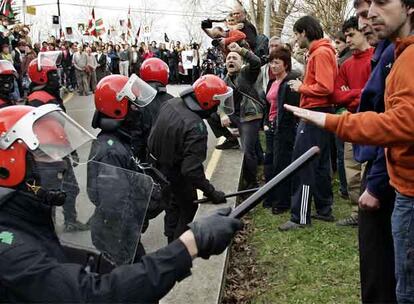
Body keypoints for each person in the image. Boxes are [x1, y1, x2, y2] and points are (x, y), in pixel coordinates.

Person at [0, 103, 243, 302]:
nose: (63, 166)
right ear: (9, 164)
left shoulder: (25, 218)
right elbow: (92, 296)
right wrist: (190, 245)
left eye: (61, 154)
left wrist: (93, 262)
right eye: (46, 153)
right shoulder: (9, 248)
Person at [284, 1, 413, 301]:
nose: (369, 16)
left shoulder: (401, 56)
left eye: (381, 3)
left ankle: (302, 215)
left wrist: (325, 112)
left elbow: (400, 122)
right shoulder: (397, 51)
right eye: (363, 11)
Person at [148, 75, 231, 242]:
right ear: (208, 102)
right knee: (187, 209)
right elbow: (191, 171)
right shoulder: (195, 126)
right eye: (217, 102)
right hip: (177, 175)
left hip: (159, 170)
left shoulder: (171, 104)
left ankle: (170, 239)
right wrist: (212, 192)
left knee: (172, 207)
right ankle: (177, 250)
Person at [279, 16, 337, 231]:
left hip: (314, 113)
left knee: (303, 164)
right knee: (321, 164)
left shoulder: (320, 53)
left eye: (296, 33)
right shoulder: (322, 51)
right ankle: (324, 209)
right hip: (320, 113)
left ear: (304, 32)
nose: (295, 38)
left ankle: (300, 217)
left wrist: (301, 87)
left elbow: (325, 87)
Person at [26, 55, 88, 233]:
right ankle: (48, 229)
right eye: (52, 74)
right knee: (51, 194)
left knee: (70, 188)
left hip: (58, 152)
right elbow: (45, 130)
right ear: (41, 76)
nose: (56, 77)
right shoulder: (37, 98)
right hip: (47, 155)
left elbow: (58, 127)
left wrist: (70, 149)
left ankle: (68, 221)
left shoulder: (48, 95)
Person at [332, 16, 374, 227]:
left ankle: (371, 212)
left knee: (370, 169)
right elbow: (337, 95)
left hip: (373, 124)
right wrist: (361, 93)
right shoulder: (346, 64)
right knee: (351, 170)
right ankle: (356, 213)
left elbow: (375, 93)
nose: (347, 39)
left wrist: (353, 93)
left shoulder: (376, 58)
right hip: (352, 123)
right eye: (346, 35)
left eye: (351, 34)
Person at [220, 42, 263, 189]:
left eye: (235, 58)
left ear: (241, 62)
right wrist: (222, 115)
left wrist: (241, 50)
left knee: (247, 150)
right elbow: (219, 101)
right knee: (212, 116)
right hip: (237, 117)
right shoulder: (225, 81)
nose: (231, 60)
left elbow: (256, 61)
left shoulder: (247, 73)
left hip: (250, 115)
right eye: (228, 58)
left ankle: (253, 183)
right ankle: (231, 139)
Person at [263, 48, 300, 214]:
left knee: (281, 164)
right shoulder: (272, 82)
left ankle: (282, 202)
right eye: (271, 62)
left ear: (286, 64)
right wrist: (266, 122)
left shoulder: (290, 83)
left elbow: (291, 111)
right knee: (269, 163)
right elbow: (268, 105)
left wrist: (280, 128)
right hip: (271, 127)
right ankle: (270, 197)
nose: (273, 66)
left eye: (277, 62)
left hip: (284, 130)